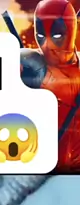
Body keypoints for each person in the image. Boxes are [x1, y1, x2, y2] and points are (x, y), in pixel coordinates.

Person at [20, 0, 80, 170]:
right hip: (38, 172)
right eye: (40, 35)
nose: (47, 45)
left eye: (57, 35)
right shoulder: (31, 65)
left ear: (71, 30)